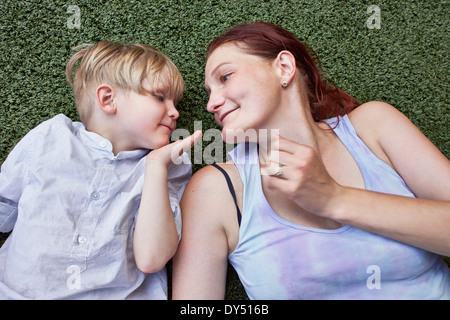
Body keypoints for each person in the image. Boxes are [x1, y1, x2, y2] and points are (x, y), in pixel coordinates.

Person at [172, 22, 450, 299]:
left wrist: (333, 198)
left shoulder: (373, 126)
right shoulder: (216, 190)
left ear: (283, 67)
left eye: (225, 77)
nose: (211, 104)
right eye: (209, 93)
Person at [0, 40, 201, 299]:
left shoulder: (170, 167)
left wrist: (155, 167)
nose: (174, 112)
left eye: (175, 103)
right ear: (108, 99)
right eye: (160, 97)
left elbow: (152, 259)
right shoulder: (52, 138)